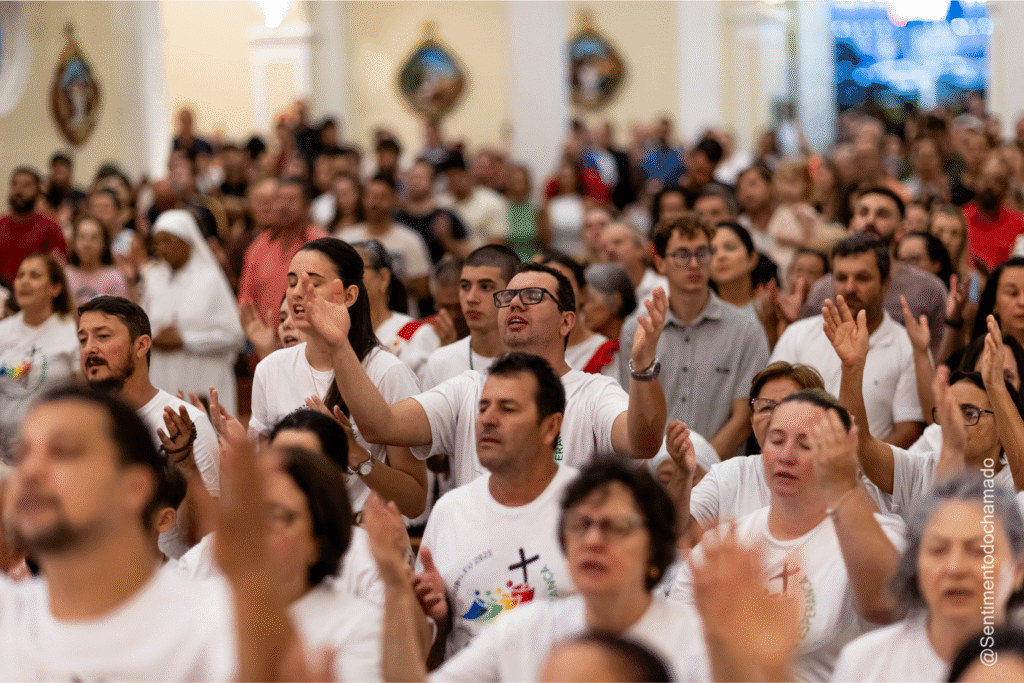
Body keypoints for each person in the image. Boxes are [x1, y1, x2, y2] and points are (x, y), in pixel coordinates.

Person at [303, 258, 667, 489]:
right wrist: (339, 346)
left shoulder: (594, 392)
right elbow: (382, 425)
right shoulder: (467, 389)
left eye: (535, 296)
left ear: (567, 321)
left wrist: (644, 369)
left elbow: (643, 443)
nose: (517, 303)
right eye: (508, 297)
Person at [365, 456, 711, 682]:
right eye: (580, 524)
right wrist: (395, 582)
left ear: (655, 545)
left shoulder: (694, 642)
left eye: (614, 527)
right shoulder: (527, 627)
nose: (591, 540)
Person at [670, 389, 905, 681]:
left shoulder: (877, 534)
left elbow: (889, 604)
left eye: (805, 445)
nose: (785, 456)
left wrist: (844, 489)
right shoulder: (726, 544)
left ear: (840, 456)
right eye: (776, 440)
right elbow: (676, 650)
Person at [412, 353, 578, 657]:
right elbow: (428, 656)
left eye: (508, 409)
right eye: (483, 407)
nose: (487, 419)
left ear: (551, 427)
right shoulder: (450, 511)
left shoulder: (587, 508)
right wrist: (439, 618)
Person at [249, 237, 427, 517]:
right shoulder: (270, 369)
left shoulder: (395, 354)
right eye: (292, 281)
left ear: (351, 294)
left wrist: (357, 456)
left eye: (312, 283)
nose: (297, 292)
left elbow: (415, 501)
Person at [831, 301, 1024, 519]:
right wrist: (852, 369)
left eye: (970, 413)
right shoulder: (921, 470)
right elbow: (861, 443)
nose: (955, 423)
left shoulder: (1013, 477)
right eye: (949, 412)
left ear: (1001, 426)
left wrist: (995, 384)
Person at [831, 475, 1024, 682]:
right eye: (938, 550)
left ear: (1018, 571)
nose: (955, 568)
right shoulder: (865, 663)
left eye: (979, 551)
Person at [77, 296, 221, 556]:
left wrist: (185, 463)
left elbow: (207, 540)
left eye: (103, 336)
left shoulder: (186, 424)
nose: (89, 348)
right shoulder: (77, 425)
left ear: (141, 345)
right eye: (83, 339)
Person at [619, 213, 769, 459]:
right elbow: (631, 410)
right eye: (681, 255)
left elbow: (744, 419)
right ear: (660, 263)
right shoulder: (637, 330)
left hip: (719, 474)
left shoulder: (746, 329)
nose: (694, 264)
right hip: (654, 475)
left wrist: (702, 466)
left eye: (702, 253)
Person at [773, 235, 924, 447]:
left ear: (885, 283)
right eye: (841, 278)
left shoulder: (908, 345)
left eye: (862, 278)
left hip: (866, 476)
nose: (850, 288)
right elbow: (769, 407)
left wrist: (854, 468)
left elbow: (907, 433)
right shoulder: (797, 334)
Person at [801, 187, 947, 352]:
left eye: (882, 214)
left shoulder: (930, 289)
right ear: (851, 225)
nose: (870, 221)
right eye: (863, 213)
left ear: (902, 229)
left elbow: (938, 358)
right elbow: (808, 345)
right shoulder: (823, 289)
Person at [140, 210, 245, 415]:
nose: (161, 249)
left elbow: (233, 336)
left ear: (186, 241)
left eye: (168, 241)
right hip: (162, 380)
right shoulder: (154, 278)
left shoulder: (210, 279)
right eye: (157, 242)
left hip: (204, 382)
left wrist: (185, 341)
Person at [0, 254, 79, 460]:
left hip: (56, 454)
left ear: (55, 288)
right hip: (5, 456)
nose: (24, 281)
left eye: (34, 276)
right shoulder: (3, 331)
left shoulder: (72, 332)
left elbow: (86, 394)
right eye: (20, 275)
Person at [418, 245, 518, 390]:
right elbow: (397, 341)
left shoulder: (533, 359)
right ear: (434, 303)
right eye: (444, 307)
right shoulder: (416, 328)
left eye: (485, 287)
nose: (470, 299)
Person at [238, 177, 327, 333]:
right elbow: (246, 302)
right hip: (265, 344)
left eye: (292, 200)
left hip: (311, 341)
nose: (284, 206)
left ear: (307, 207)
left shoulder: (323, 245)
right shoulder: (259, 246)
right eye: (279, 199)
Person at [336, 173, 433, 302]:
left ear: (394, 200)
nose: (374, 203)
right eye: (369, 196)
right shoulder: (345, 237)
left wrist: (381, 282)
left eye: (381, 197)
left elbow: (423, 288)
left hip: (401, 315)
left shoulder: (410, 239)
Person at [354, 239, 440, 375]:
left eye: (354, 269)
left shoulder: (411, 330)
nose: (345, 279)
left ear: (383, 278)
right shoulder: (337, 333)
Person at [536, 251, 617, 377]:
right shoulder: (527, 349)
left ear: (583, 293)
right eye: (544, 287)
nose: (554, 293)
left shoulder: (605, 351)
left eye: (563, 284)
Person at [0, 167, 67, 282]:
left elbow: (58, 269)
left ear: (38, 191)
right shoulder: (1, 224)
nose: (19, 190)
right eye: (14, 184)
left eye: (27, 185)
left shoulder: (50, 227)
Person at [396, 159, 470, 263]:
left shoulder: (445, 217)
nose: (415, 182)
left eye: (420, 178)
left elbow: (468, 253)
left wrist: (447, 239)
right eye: (412, 177)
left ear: (432, 182)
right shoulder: (396, 218)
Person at [964, 151, 1024, 272]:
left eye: (997, 180)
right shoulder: (961, 218)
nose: (989, 186)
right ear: (976, 181)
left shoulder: (1020, 223)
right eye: (985, 179)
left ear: (1006, 187)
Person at [437, 151, 510, 246]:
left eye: (457, 172)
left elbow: (495, 250)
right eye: (448, 174)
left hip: (482, 259)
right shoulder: (440, 204)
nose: (453, 178)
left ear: (469, 173)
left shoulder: (493, 202)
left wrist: (449, 241)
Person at [581, 262, 637, 378]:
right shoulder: (586, 348)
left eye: (590, 300)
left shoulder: (636, 346)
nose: (583, 308)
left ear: (616, 301)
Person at [599, 222, 667, 311]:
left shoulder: (665, 290)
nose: (609, 249)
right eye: (603, 247)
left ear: (640, 249)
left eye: (617, 242)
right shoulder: (599, 301)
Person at [63, 215, 129, 305]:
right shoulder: (65, 275)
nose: (87, 244)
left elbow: (121, 314)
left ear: (104, 244)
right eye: (81, 237)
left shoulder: (114, 276)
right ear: (73, 242)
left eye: (93, 238)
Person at [538, 161, 589, 261]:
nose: (567, 180)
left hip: (580, 256)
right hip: (555, 256)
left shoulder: (584, 204)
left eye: (570, 176)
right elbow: (546, 237)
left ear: (575, 178)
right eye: (563, 176)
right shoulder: (550, 205)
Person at [710, 220, 760, 316]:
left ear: (752, 258)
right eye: (712, 251)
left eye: (730, 247)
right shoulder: (697, 314)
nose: (720, 256)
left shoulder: (774, 308)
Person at [504, 163, 545, 261]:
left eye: (521, 181)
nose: (518, 185)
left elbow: (544, 243)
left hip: (534, 263)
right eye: (515, 181)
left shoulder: (537, 210)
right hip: (510, 263)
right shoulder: (502, 208)